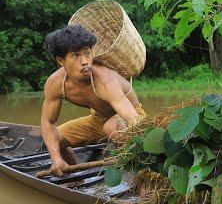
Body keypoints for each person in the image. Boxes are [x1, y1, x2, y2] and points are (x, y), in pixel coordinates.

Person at [40, 24, 146, 177]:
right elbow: (48, 123)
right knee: (55, 139)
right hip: (97, 120)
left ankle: (142, 175)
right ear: (61, 61)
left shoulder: (104, 80)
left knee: (111, 127)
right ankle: (75, 175)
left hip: (128, 117)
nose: (85, 61)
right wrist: (56, 158)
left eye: (87, 53)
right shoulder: (55, 83)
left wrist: (146, 143)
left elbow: (132, 118)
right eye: (76, 55)